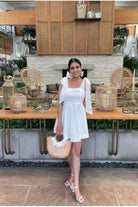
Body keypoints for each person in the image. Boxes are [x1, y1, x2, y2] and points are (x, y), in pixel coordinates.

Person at [54, 58, 93, 204]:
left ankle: (76, 187)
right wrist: (59, 123)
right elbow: (60, 103)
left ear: (81, 68)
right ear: (69, 70)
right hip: (65, 120)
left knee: (76, 153)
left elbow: (85, 104)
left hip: (78, 121)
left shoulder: (86, 83)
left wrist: (84, 124)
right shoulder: (64, 82)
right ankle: (72, 174)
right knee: (68, 151)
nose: (75, 70)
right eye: (72, 68)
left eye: (77, 67)